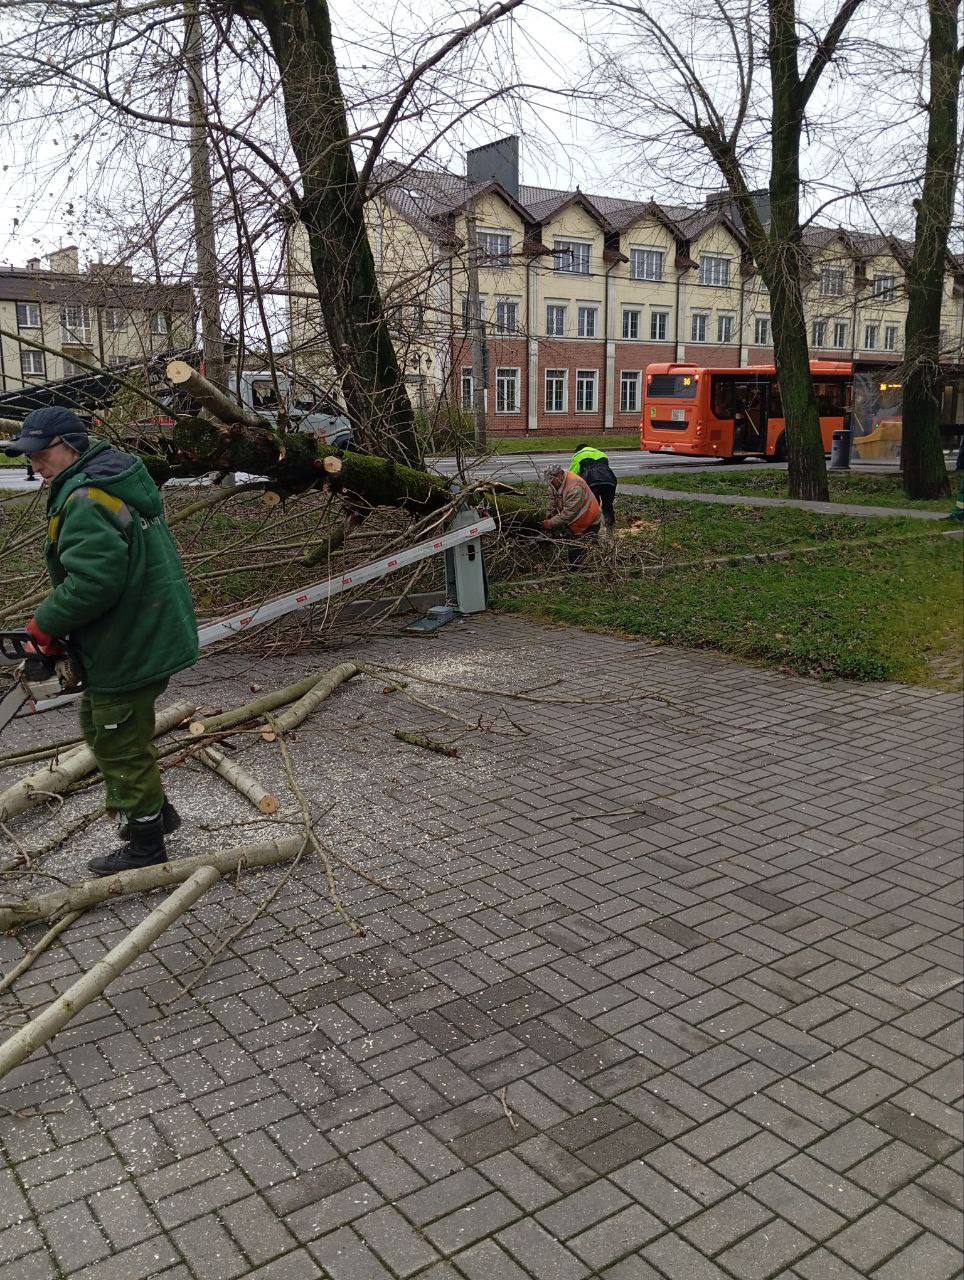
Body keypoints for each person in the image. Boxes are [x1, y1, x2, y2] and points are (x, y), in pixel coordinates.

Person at [3, 407, 198, 877]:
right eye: (30, 456)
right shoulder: (108, 479)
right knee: (101, 724)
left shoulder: (88, 498)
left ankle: (146, 845)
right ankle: (158, 813)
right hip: (140, 628)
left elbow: (93, 583)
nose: (36, 465)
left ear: (71, 445)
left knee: (116, 738)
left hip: (131, 639)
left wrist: (44, 624)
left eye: (42, 454)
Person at [542, 463, 601, 563]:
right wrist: (549, 514)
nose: (550, 483)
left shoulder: (575, 487)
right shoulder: (554, 483)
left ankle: (585, 567)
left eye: (552, 480)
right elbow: (552, 500)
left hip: (589, 520)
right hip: (575, 521)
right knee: (580, 549)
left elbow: (568, 514)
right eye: (549, 481)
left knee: (579, 554)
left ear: (559, 475)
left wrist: (550, 523)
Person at [569, 443, 618, 531]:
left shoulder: (578, 456)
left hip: (592, 482)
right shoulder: (601, 453)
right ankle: (610, 527)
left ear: (578, 450)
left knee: (593, 507)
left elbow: (572, 475)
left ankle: (594, 530)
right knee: (608, 505)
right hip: (609, 480)